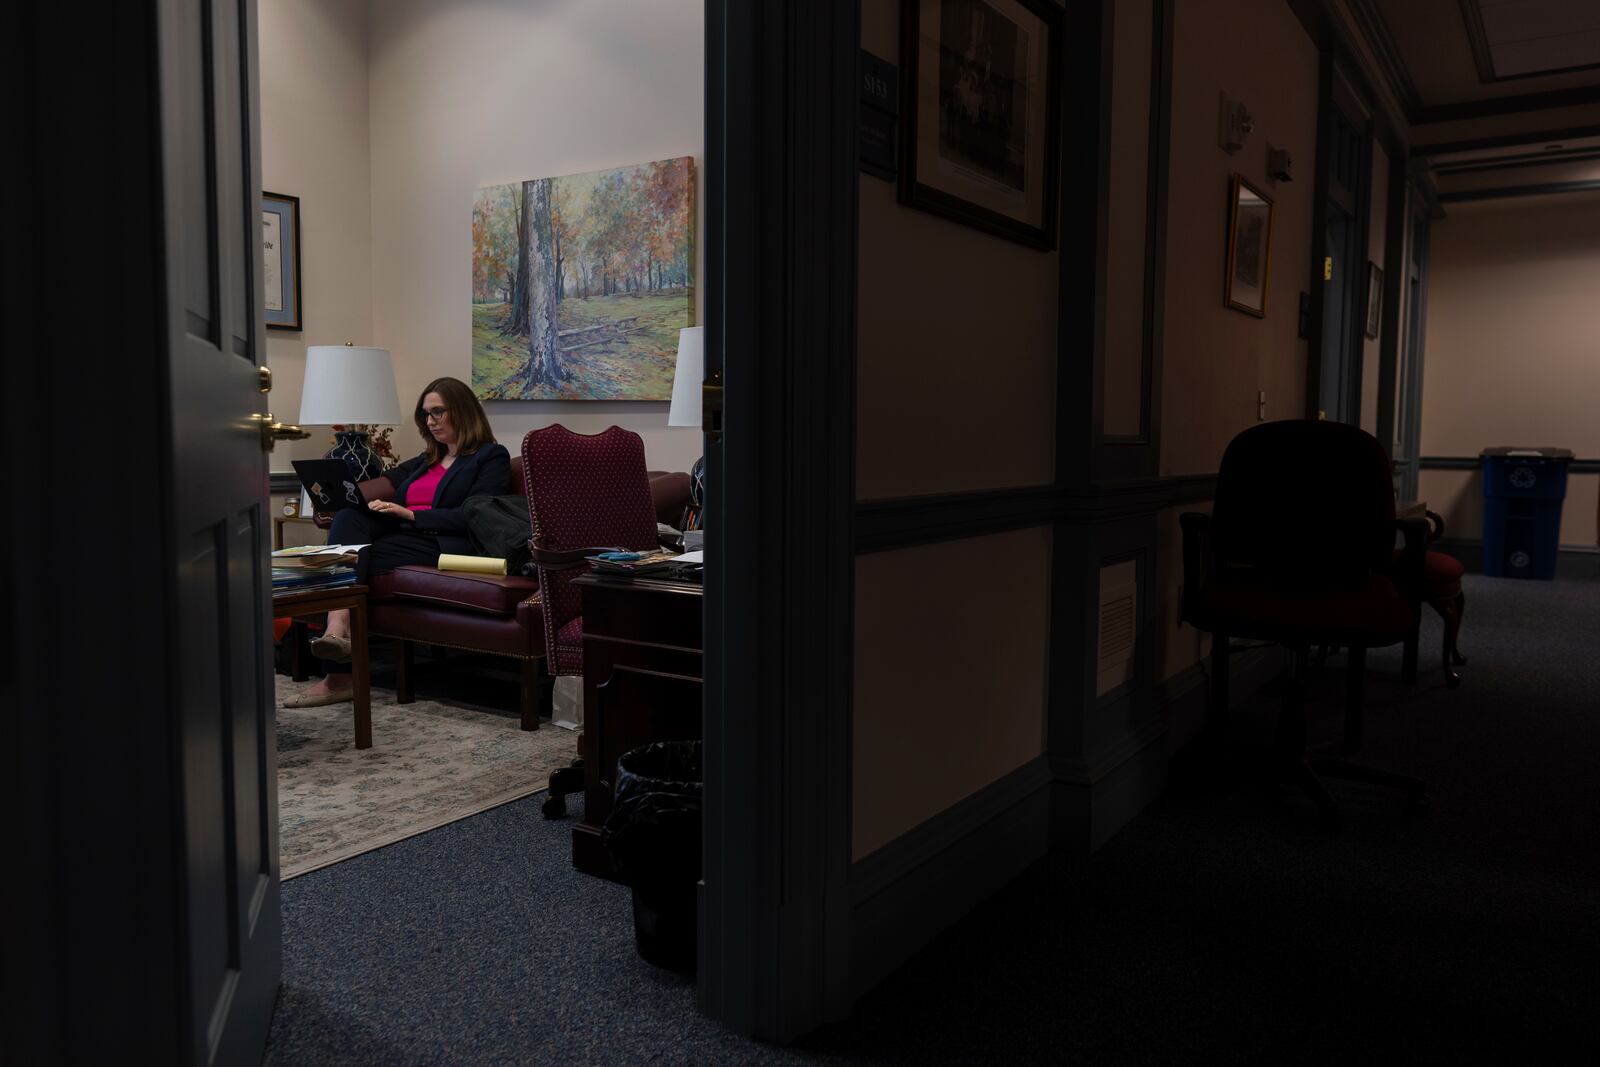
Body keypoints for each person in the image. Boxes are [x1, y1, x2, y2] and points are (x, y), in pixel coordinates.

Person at [285, 376, 511, 707]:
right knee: (348, 522)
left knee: (345, 561)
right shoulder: (425, 460)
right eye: (425, 415)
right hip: (403, 535)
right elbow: (382, 483)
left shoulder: (490, 456)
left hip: (446, 542)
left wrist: (411, 516)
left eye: (438, 412)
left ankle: (338, 672)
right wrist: (337, 496)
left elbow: (477, 514)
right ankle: (336, 628)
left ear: (462, 411)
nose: (430, 422)